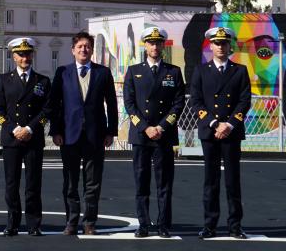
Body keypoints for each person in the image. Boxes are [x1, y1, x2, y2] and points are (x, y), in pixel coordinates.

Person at [50, 31, 118, 236]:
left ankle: (89, 222)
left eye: (87, 46)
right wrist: (55, 131)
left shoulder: (103, 73)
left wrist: (111, 132)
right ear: (72, 50)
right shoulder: (62, 72)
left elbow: (112, 105)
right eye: (79, 46)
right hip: (69, 135)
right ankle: (71, 222)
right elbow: (54, 104)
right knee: (70, 183)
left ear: (91, 50)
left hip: (95, 135)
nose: (83, 50)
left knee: (93, 183)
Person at [122, 27, 186, 238]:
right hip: (141, 135)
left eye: (158, 43)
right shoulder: (133, 71)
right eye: (151, 43)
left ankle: (163, 224)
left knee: (164, 183)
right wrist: (145, 127)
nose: (155, 47)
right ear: (145, 45)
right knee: (142, 182)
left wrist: (161, 127)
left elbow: (178, 104)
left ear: (163, 46)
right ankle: (143, 224)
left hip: (163, 134)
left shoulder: (174, 71)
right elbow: (129, 104)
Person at [189, 26, 252, 240]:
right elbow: (196, 101)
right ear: (211, 45)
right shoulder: (200, 70)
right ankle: (209, 225)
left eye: (224, 43)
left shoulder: (240, 70)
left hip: (231, 133)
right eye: (217, 43)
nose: (221, 47)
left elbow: (244, 101)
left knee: (233, 181)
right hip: (210, 132)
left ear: (229, 45)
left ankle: (235, 226)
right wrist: (215, 124)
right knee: (211, 181)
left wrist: (229, 125)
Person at [0, 37, 52, 237]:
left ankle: (34, 224)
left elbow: (47, 110)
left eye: (28, 54)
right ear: (13, 56)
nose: (25, 57)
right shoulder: (3, 80)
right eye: (20, 54)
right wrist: (14, 129)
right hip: (12, 138)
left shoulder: (42, 81)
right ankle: (12, 223)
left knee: (33, 183)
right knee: (12, 183)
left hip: (33, 138)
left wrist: (30, 129)